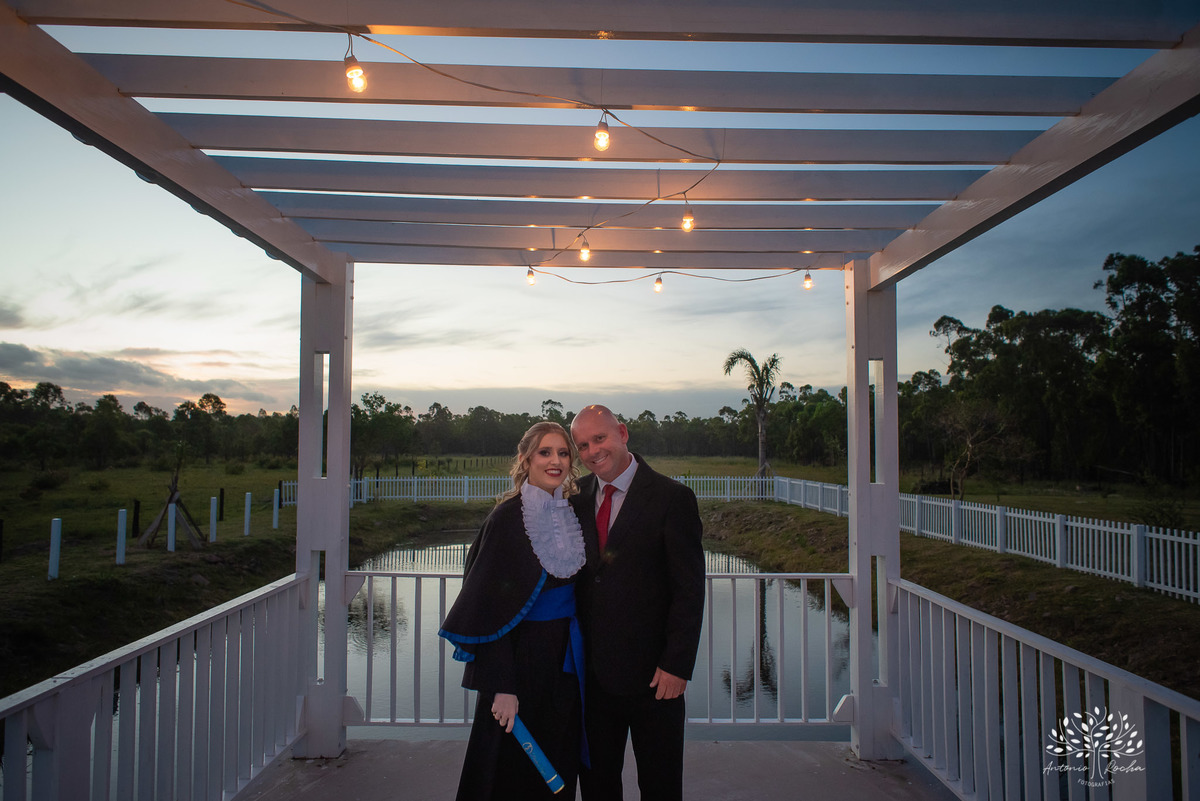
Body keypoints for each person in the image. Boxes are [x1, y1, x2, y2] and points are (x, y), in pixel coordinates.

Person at [438, 421, 588, 800]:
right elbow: (489, 608)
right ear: (525, 459)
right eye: (545, 452)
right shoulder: (507, 519)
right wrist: (501, 686)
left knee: (558, 763)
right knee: (507, 770)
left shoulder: (572, 513)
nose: (556, 461)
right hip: (519, 664)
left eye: (563, 453)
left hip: (566, 663)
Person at [569, 404, 705, 801]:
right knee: (597, 787)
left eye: (600, 438)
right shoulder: (576, 499)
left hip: (656, 681)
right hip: (592, 681)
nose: (593, 451)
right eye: (582, 445)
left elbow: (689, 589)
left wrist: (677, 665)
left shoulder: (671, 498)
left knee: (660, 787)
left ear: (623, 433)